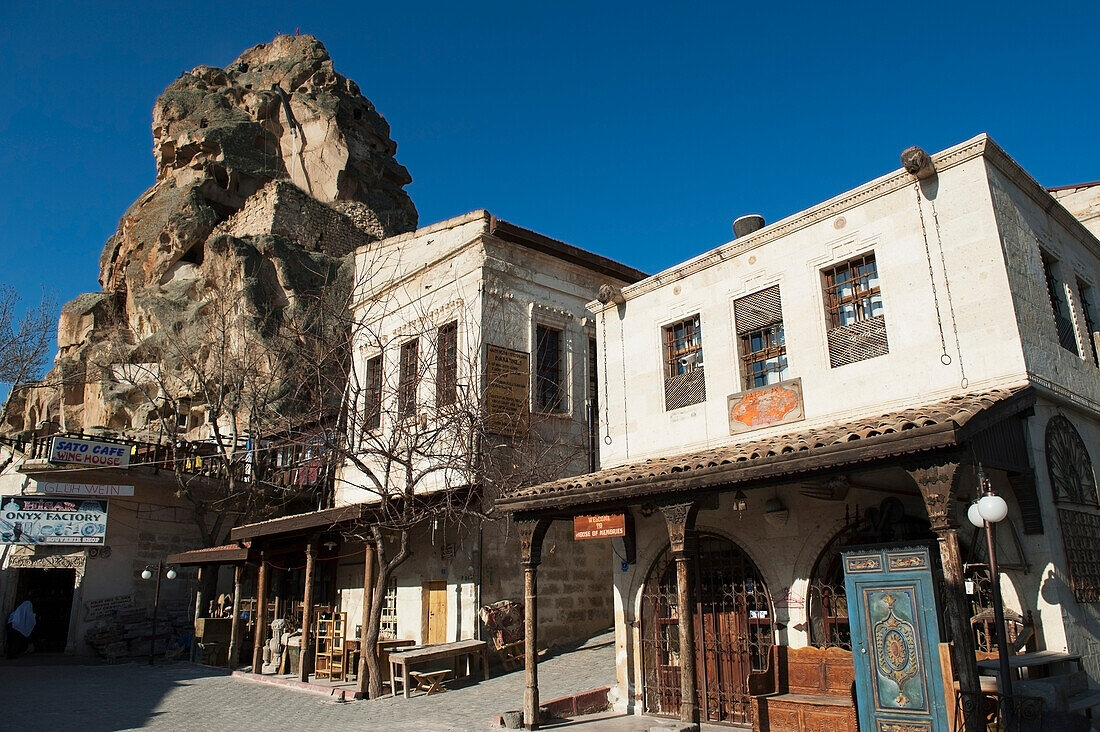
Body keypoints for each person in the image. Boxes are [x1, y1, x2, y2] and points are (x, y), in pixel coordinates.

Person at [6, 592, 35, 659]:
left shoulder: (18, 611)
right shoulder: (27, 608)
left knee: (12, 641)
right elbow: (29, 620)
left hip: (12, 625)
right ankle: (12, 654)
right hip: (17, 627)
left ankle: (11, 653)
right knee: (16, 641)